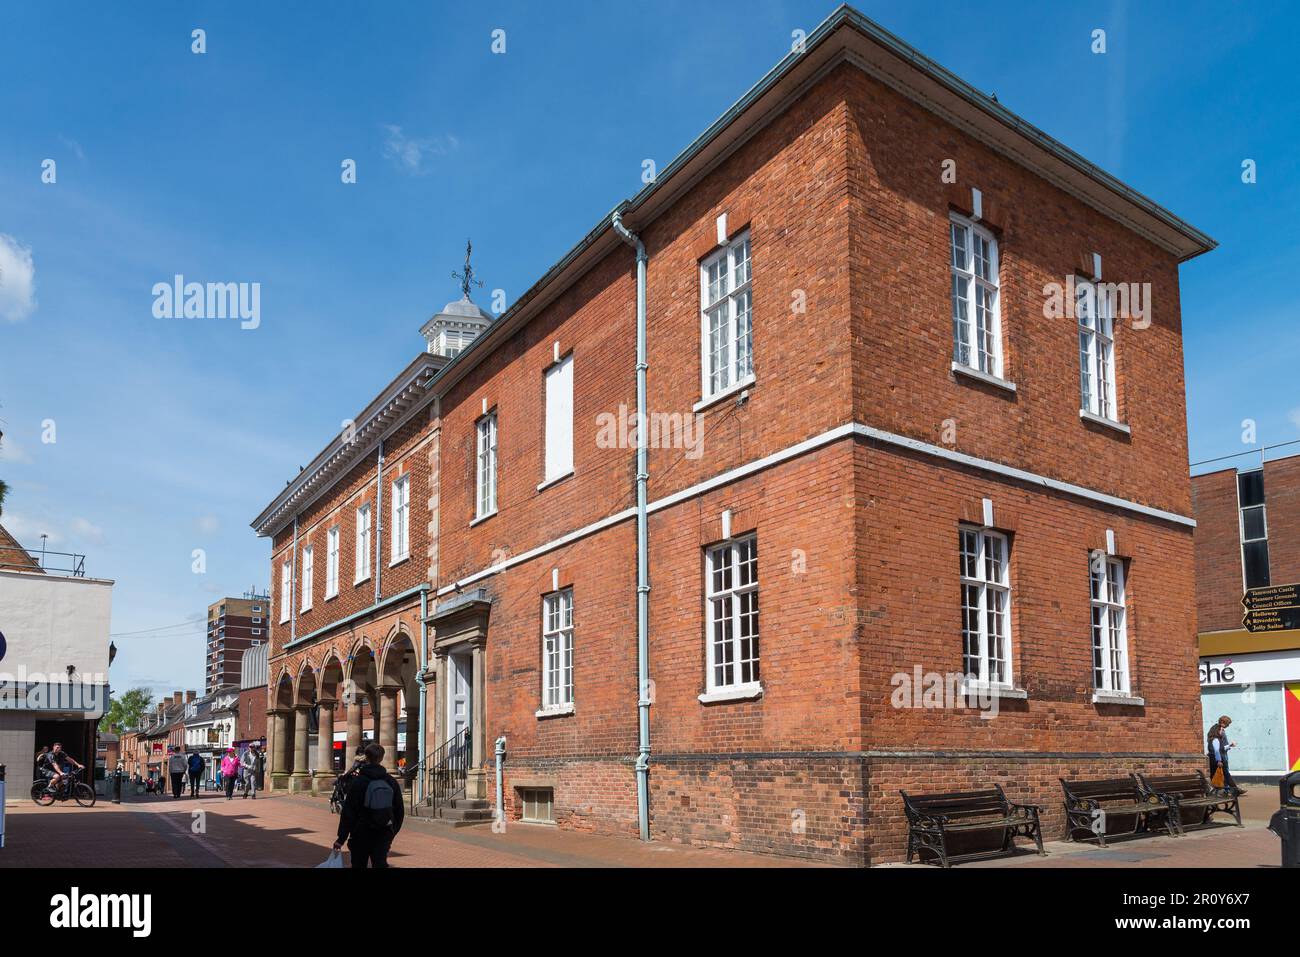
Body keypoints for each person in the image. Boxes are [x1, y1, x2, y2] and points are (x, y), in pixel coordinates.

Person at [333, 743, 404, 868]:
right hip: (383, 832)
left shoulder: (358, 782)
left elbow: (349, 812)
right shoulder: (391, 781)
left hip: (361, 832)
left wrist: (341, 838)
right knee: (380, 864)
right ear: (381, 758)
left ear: (366, 757)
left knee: (358, 864)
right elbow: (399, 810)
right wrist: (392, 831)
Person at [1207, 715, 1245, 795]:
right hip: (1217, 758)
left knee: (1217, 774)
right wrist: (1219, 761)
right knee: (1225, 774)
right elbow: (1217, 750)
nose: (1223, 731)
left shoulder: (1214, 738)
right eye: (1221, 730)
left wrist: (1229, 745)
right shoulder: (1216, 739)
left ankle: (1226, 790)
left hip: (1213, 758)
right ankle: (1234, 790)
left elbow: (1220, 748)